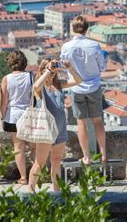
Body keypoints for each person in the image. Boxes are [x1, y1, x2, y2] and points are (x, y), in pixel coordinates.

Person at [28, 58, 82, 192]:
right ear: (43, 70)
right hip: (45, 129)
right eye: (48, 69)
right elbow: (35, 87)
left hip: (60, 128)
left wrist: (69, 68)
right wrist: (47, 71)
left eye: (53, 69)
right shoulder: (40, 87)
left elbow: (78, 81)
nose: (52, 72)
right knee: (39, 163)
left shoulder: (59, 84)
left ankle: (57, 191)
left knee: (57, 161)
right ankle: (30, 191)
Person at [60, 15, 107, 165]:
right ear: (87, 29)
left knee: (81, 122)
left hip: (76, 87)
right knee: (98, 121)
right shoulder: (94, 46)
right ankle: (103, 155)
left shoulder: (66, 47)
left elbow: (64, 65)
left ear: (73, 28)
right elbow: (102, 67)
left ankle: (86, 157)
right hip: (94, 86)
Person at [0, 50, 35, 185]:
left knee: (18, 148)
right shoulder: (31, 76)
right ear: (24, 62)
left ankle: (23, 177)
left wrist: (3, 117)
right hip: (29, 115)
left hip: (13, 116)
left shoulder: (6, 79)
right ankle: (37, 175)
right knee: (33, 148)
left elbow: (4, 102)